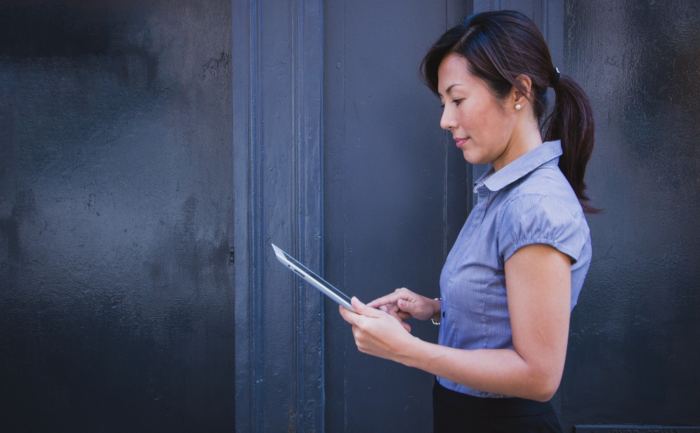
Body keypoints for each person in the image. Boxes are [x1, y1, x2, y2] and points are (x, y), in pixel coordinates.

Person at [339, 10, 596, 433]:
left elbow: (539, 375)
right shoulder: (505, 190)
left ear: (518, 91)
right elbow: (506, 308)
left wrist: (406, 349)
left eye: (457, 99)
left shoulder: (535, 205)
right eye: (444, 104)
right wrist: (437, 309)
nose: (445, 120)